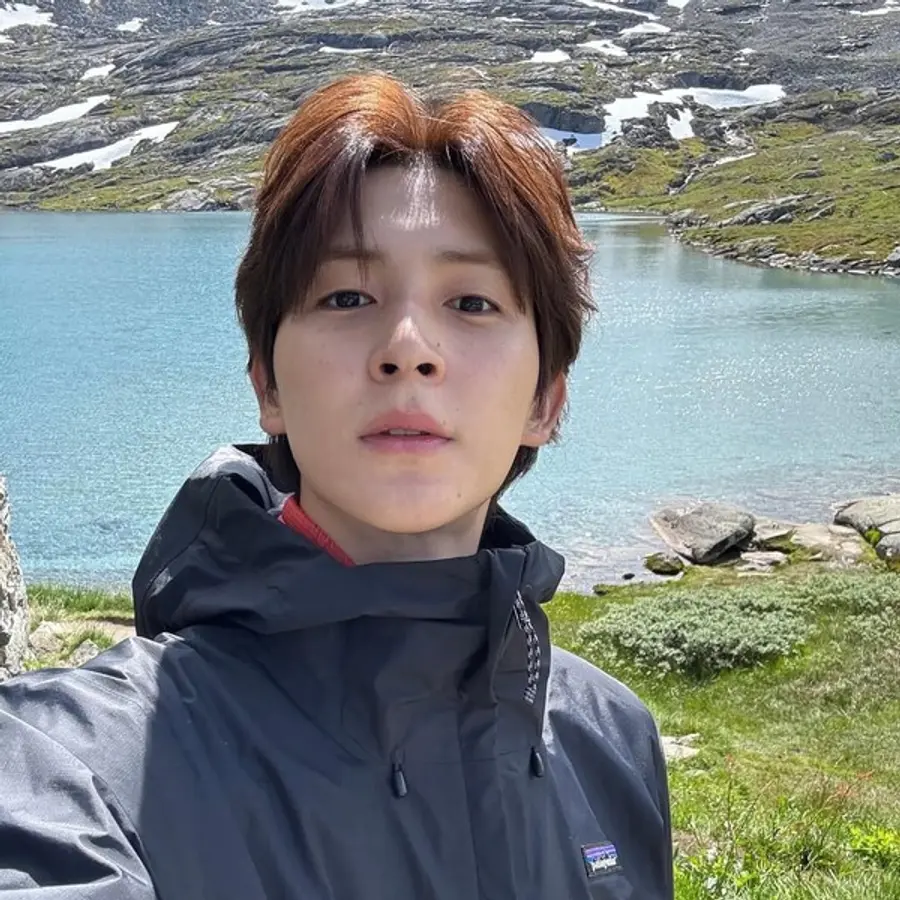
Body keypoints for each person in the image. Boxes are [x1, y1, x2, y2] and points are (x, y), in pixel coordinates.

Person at [0, 73, 673, 899]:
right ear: (268, 384)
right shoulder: (68, 763)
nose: (407, 347)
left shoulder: (612, 742)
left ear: (545, 400)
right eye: (347, 296)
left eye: (472, 302)